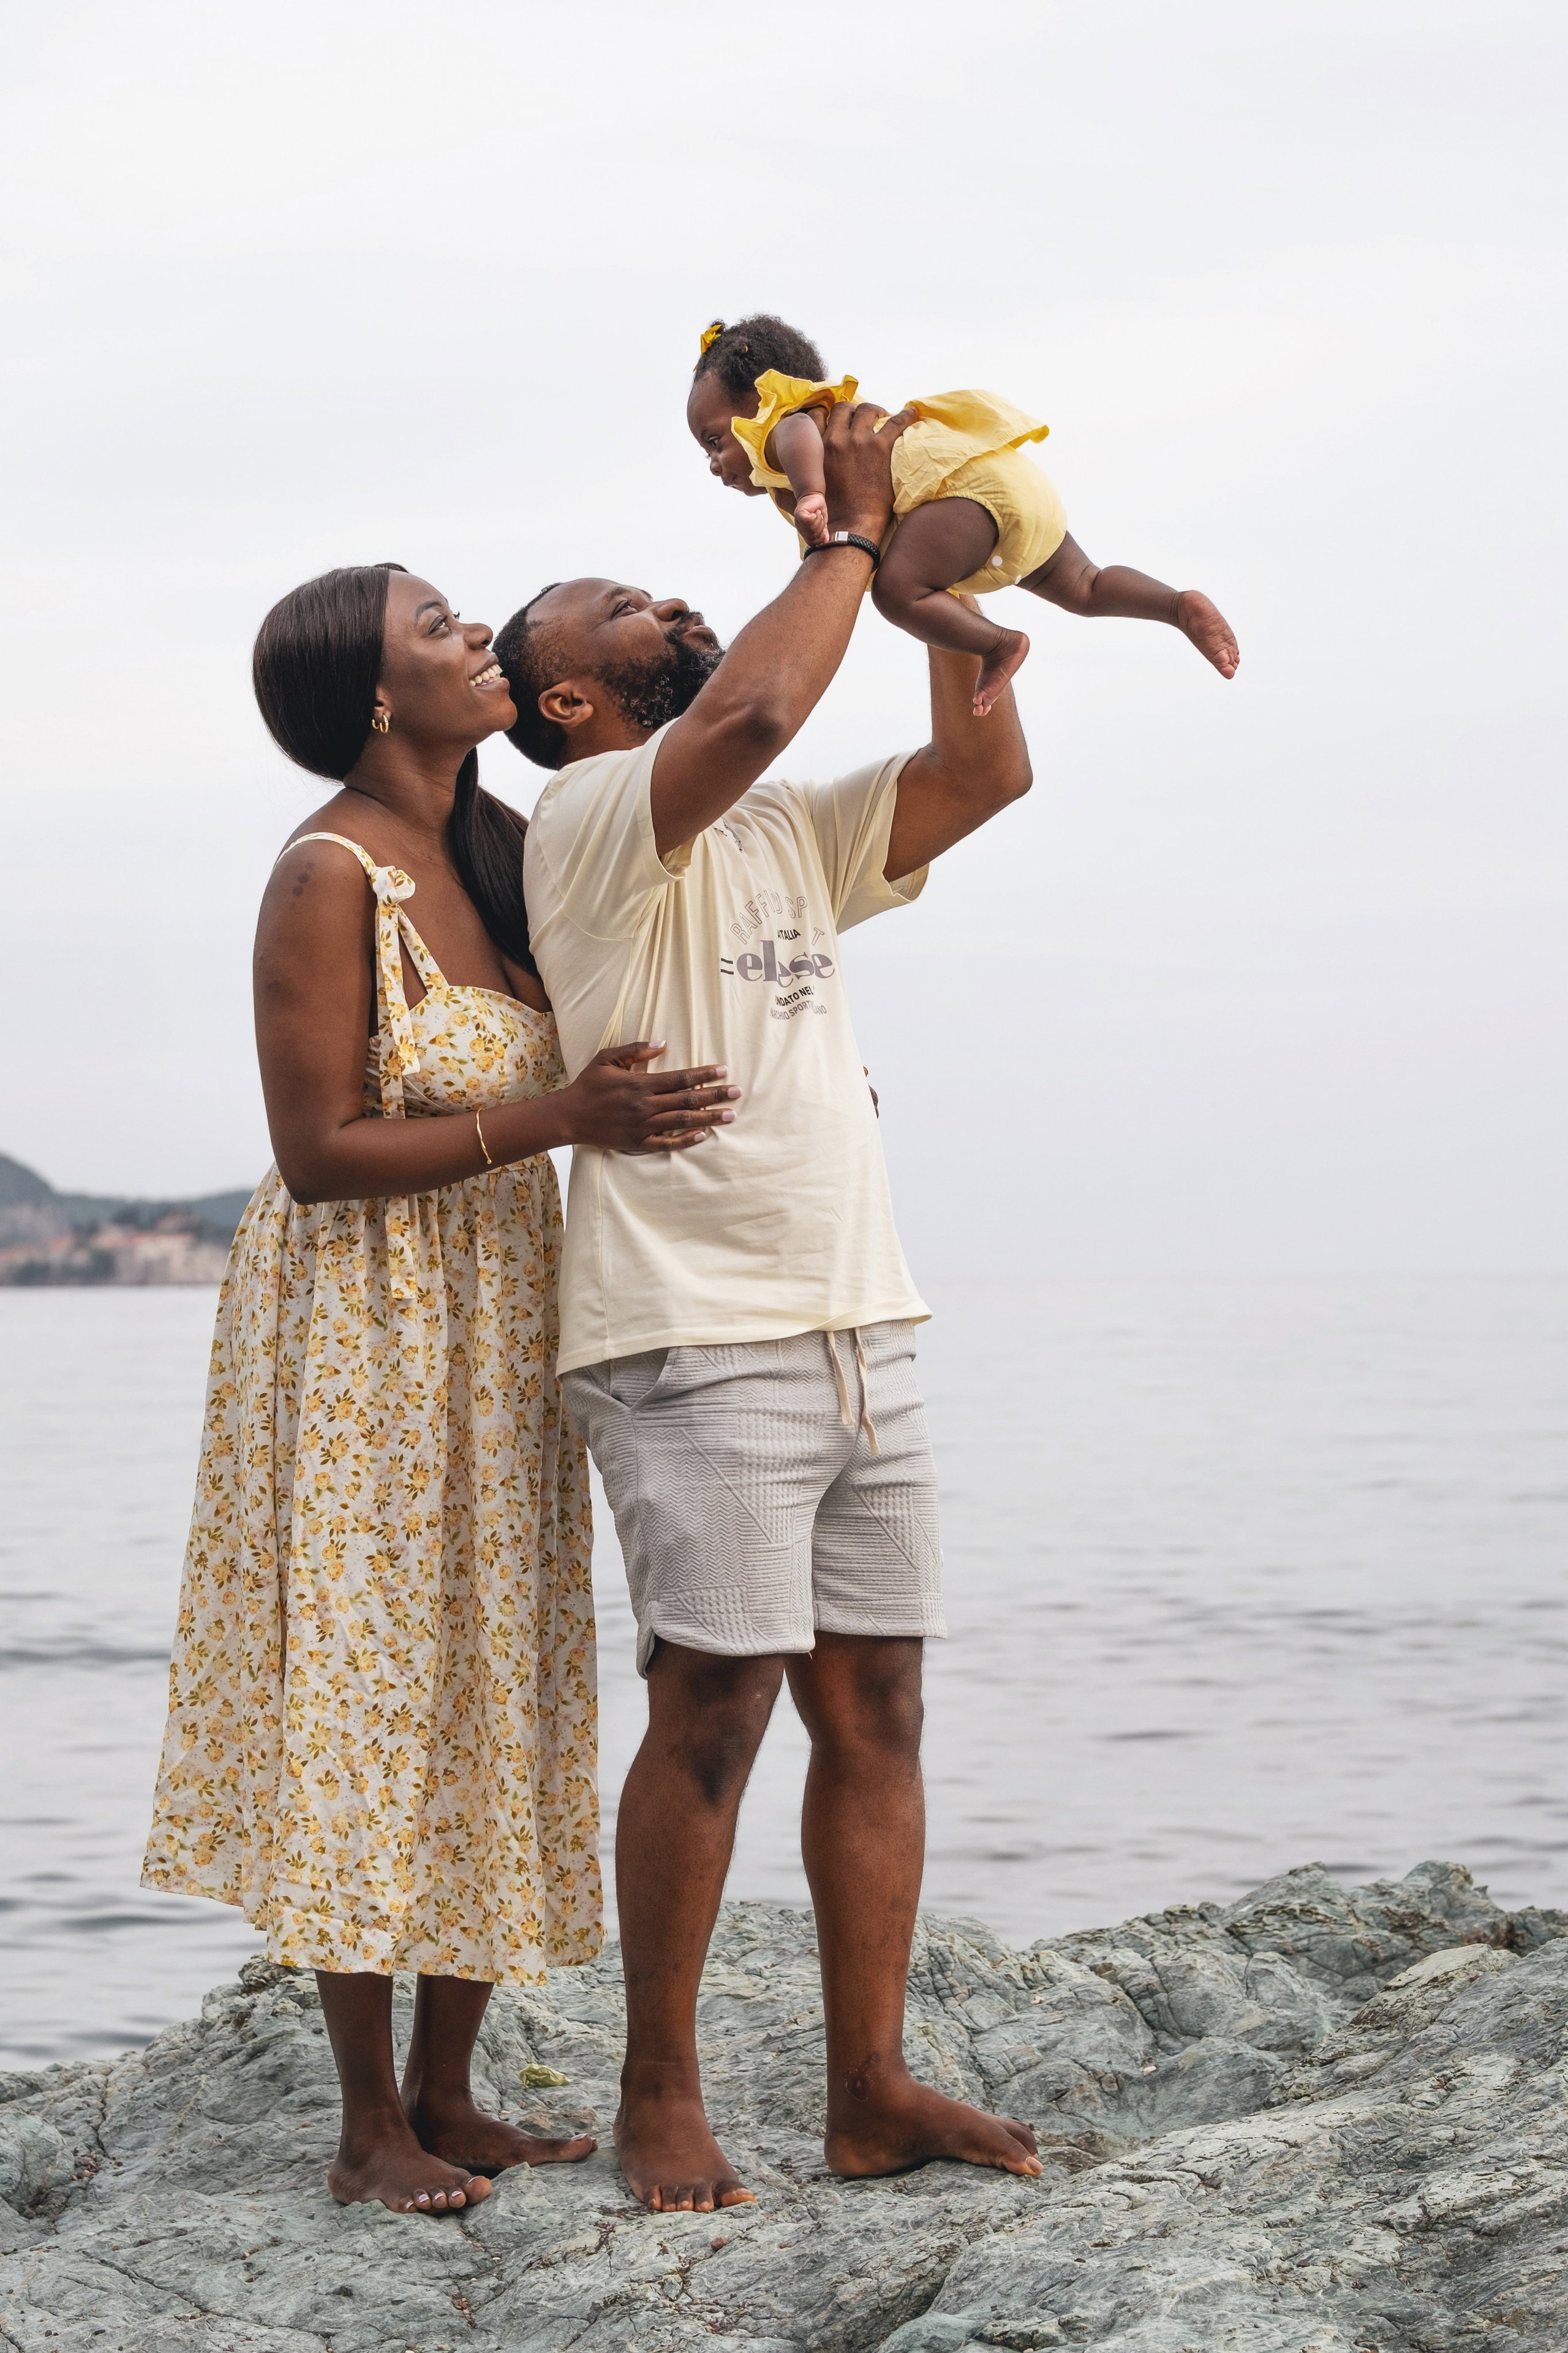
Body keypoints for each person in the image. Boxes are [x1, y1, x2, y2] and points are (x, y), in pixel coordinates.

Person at [494, 395, 1046, 2215]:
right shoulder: (584, 815)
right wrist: (841, 535)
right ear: (568, 697)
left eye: (664, 587)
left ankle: (868, 2085)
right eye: (624, 606)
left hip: (857, 1323)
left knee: (874, 1701)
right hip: (686, 1336)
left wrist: (955, 633)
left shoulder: (783, 832)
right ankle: (664, 2095)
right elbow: (747, 706)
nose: (668, 606)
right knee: (713, 1705)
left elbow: (981, 784)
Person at [142, 561, 737, 2216]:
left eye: (468, 617)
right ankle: (363, 2129)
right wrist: (562, 1124)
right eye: (438, 627)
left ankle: (449, 2089)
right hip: (357, 1336)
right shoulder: (328, 872)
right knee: (368, 1680)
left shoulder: (510, 853)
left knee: (494, 1661)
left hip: (502, 1315)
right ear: (377, 695)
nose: (474, 636)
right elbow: (319, 1152)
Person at [687, 312, 1240, 717]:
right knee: (1085, 587)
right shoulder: (817, 424)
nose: (714, 463)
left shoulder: (779, 424)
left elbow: (795, 434)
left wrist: (811, 493)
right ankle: (1176, 605)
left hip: (958, 493)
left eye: (714, 441)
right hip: (1007, 484)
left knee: (898, 593)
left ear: (758, 401)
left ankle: (999, 643)